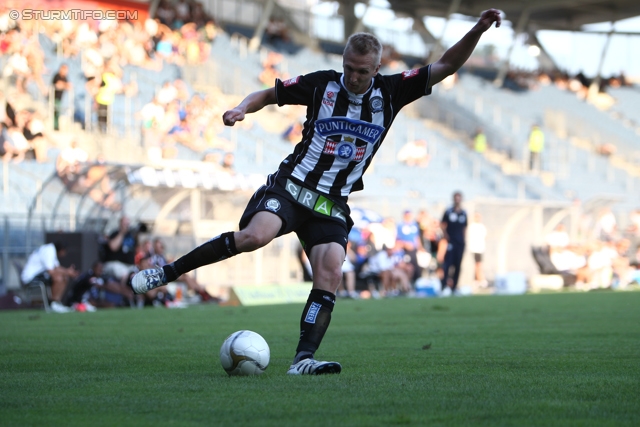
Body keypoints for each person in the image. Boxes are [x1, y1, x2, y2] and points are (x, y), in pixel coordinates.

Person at [131, 10, 502, 375]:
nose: (354, 77)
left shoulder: (392, 91)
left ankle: (302, 359)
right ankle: (167, 272)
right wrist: (241, 109)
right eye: (350, 68)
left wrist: (478, 30)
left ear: (376, 68)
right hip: (293, 186)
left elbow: (446, 66)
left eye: (363, 71)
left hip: (331, 202)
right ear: (343, 62)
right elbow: (268, 94)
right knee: (253, 237)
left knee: (330, 271)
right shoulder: (322, 84)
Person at [21, 241, 79, 313]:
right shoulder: (49, 251)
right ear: (62, 250)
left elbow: (57, 267)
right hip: (30, 278)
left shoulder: (51, 250)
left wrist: (68, 271)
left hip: (38, 275)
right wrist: (67, 272)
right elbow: (51, 271)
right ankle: (52, 303)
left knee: (65, 277)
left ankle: (56, 303)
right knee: (58, 278)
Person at [439, 191, 468, 296]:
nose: (457, 200)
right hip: (451, 242)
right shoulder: (448, 211)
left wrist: (464, 240)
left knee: (458, 265)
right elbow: (442, 224)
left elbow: (465, 227)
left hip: (460, 243)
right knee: (447, 264)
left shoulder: (464, 213)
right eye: (456, 198)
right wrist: (445, 235)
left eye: (459, 198)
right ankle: (444, 287)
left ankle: (454, 287)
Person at [467, 212, 487, 287]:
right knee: (477, 264)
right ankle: (479, 279)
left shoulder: (481, 226)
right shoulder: (472, 226)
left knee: (479, 264)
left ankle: (477, 279)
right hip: (474, 249)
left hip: (480, 249)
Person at [52, 64, 71, 130]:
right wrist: (64, 85)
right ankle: (55, 127)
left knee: (58, 112)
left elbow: (69, 86)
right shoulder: (57, 76)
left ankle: (57, 127)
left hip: (60, 98)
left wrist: (64, 85)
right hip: (54, 98)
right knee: (55, 112)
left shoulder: (65, 77)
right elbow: (58, 85)